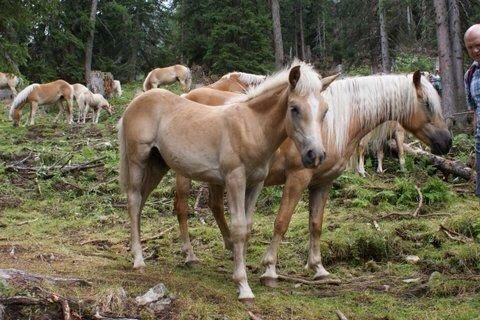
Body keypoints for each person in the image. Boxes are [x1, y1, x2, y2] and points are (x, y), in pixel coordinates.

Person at [464, 24, 480, 197]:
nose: (475, 50)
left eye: (478, 45)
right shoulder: (470, 75)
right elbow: (474, 111)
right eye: (470, 47)